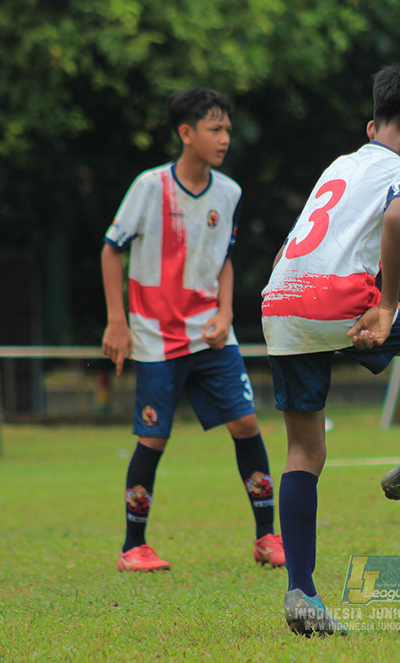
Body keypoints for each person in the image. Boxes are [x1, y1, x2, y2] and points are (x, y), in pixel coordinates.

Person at [260, 64, 400, 636]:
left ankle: (302, 592)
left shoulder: (342, 164)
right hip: (339, 300)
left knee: (304, 451)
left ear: (373, 126)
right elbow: (396, 219)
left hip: (281, 298)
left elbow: (297, 243)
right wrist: (387, 304)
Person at [101, 88, 284, 573]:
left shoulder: (230, 193)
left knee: (246, 424)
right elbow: (111, 248)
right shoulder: (149, 186)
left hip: (210, 333)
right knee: (153, 438)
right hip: (155, 336)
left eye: (227, 129)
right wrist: (117, 321)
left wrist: (225, 313)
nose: (225, 138)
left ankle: (266, 537)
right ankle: (133, 547)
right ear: (186, 133)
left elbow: (225, 258)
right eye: (214, 129)